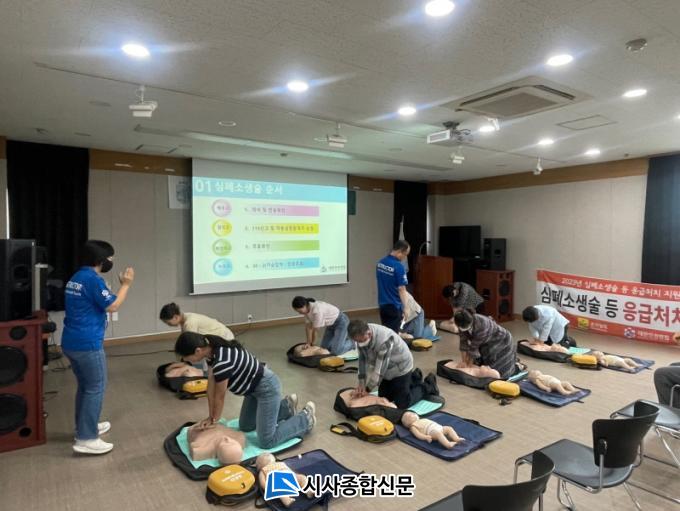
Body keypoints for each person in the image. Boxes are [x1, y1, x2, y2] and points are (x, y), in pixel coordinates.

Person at [174, 332, 315, 449]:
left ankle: (305, 419)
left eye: (187, 358)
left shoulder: (222, 362)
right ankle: (286, 407)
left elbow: (220, 396)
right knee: (246, 426)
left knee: (267, 441)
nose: (187, 361)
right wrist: (211, 417)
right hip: (252, 390)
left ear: (198, 350)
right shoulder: (211, 351)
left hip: (267, 389)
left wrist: (214, 419)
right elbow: (210, 388)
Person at [62, 240, 134, 455]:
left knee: (85, 386)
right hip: (87, 344)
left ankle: (85, 426)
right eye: (110, 259)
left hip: (72, 341)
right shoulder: (92, 280)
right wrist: (126, 284)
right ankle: (86, 438)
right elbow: (113, 305)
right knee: (96, 387)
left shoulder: (76, 277)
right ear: (101, 260)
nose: (111, 262)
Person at [347, 319, 438, 409]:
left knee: (402, 403)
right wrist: (361, 384)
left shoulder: (384, 340)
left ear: (369, 334)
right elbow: (362, 360)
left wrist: (367, 390)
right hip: (388, 369)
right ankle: (414, 378)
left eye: (361, 341)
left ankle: (428, 386)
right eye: (357, 341)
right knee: (385, 398)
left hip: (401, 367)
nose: (360, 344)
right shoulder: (361, 334)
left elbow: (379, 371)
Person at [453, 309, 518, 379]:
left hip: (501, 339)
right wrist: (464, 361)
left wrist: (468, 365)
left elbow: (473, 348)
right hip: (486, 342)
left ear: (471, 321)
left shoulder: (482, 324)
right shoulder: (461, 322)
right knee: (484, 365)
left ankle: (517, 367)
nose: (462, 329)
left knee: (499, 370)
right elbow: (463, 342)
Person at [376, 240, 411, 333]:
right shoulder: (399, 267)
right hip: (394, 305)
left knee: (386, 332)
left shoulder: (380, 263)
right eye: (405, 255)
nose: (405, 258)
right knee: (393, 335)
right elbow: (401, 289)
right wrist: (406, 307)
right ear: (400, 252)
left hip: (382, 304)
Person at [160, 302, 234, 340]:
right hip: (219, 336)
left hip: (225, 338)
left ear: (176, 317)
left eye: (168, 322)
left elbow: (192, 344)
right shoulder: (185, 318)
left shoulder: (190, 322)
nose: (168, 325)